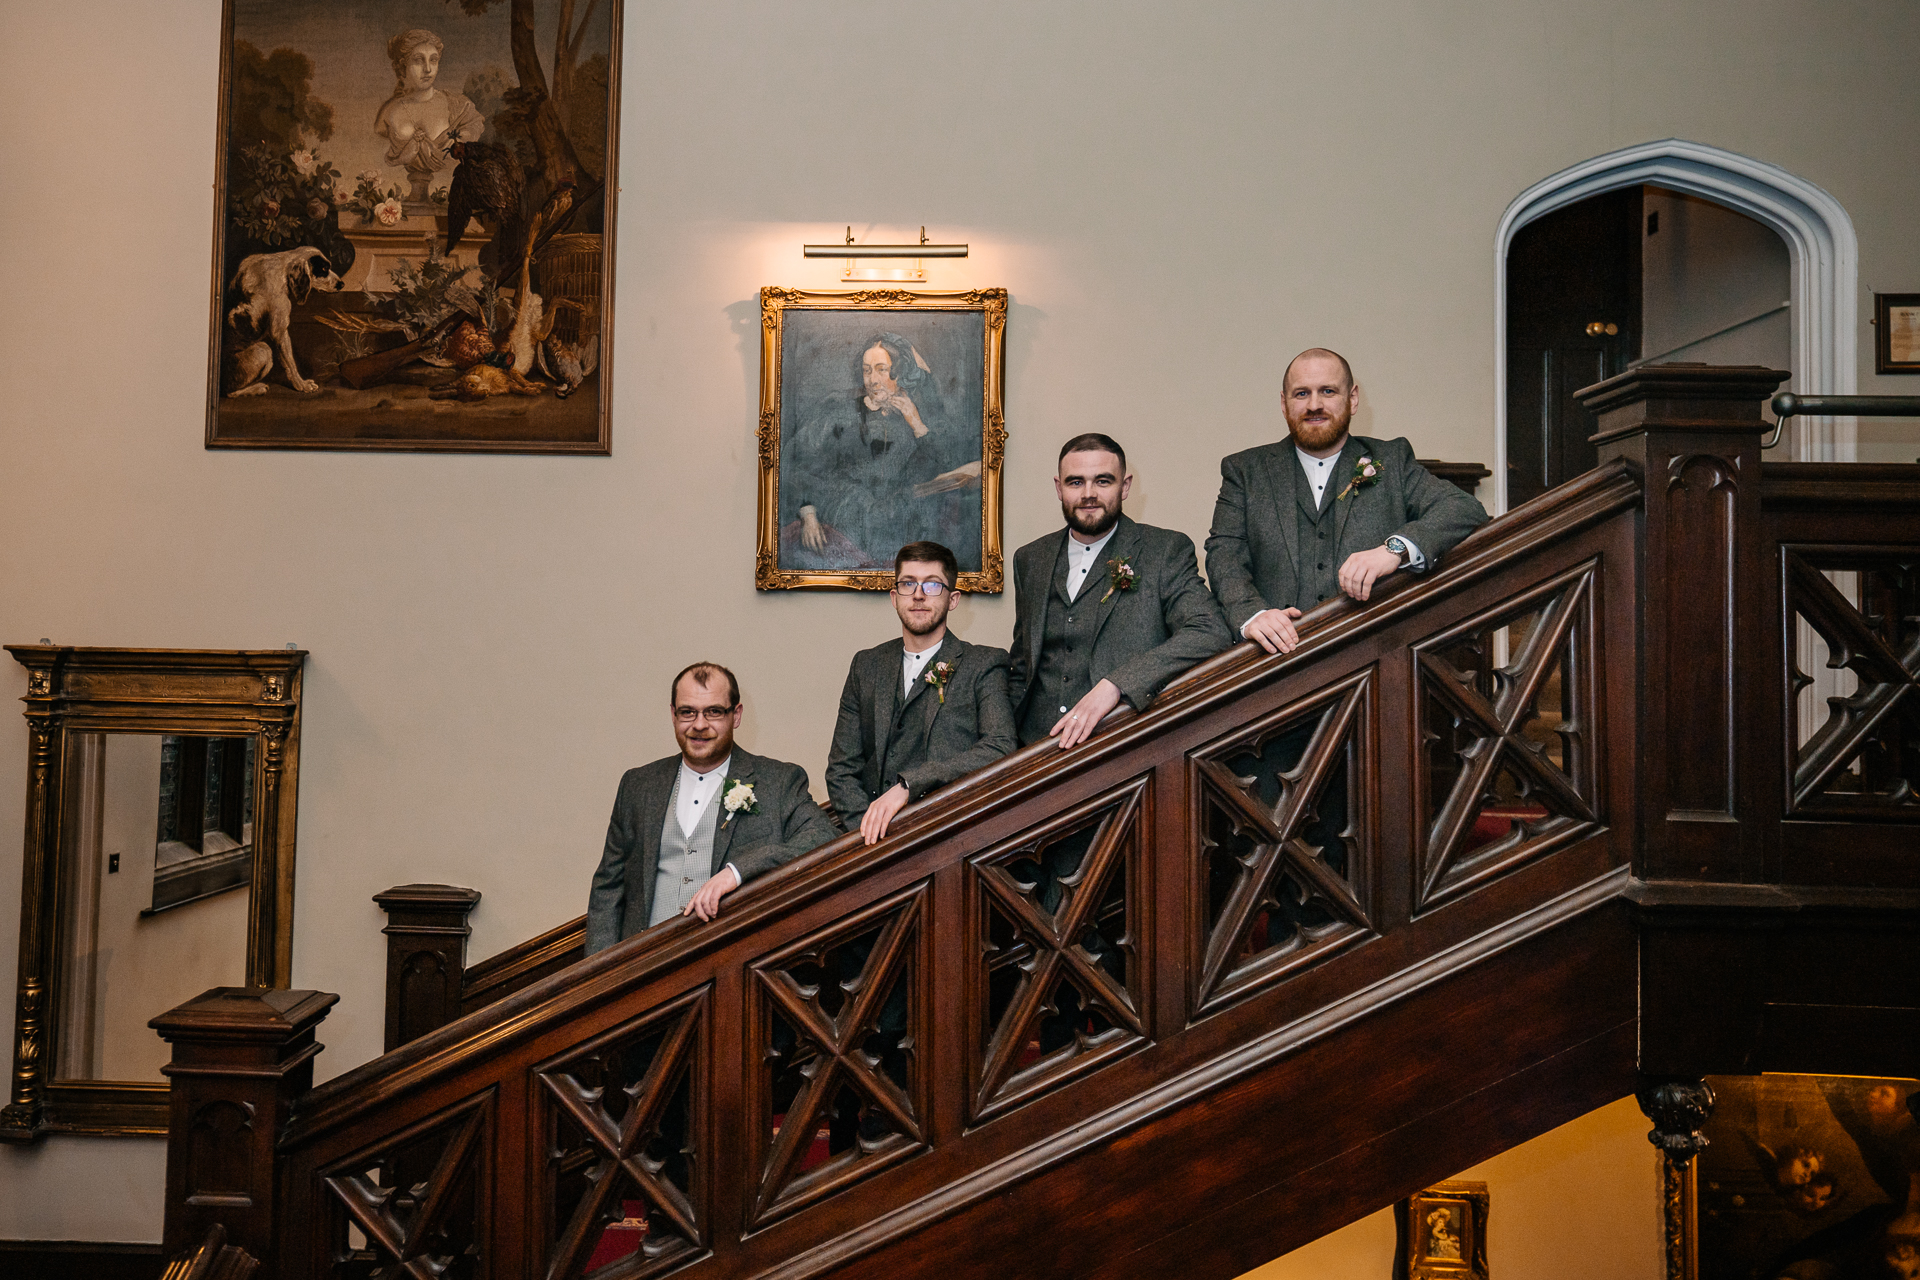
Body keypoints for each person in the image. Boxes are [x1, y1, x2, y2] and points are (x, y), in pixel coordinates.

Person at [1205, 347, 1488, 655]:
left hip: (1374, 659)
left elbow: (1464, 508)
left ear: (1352, 399)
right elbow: (1224, 554)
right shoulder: (1245, 471)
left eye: (1328, 391)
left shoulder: (1390, 461)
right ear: (1284, 404)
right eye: (1301, 394)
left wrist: (1393, 550)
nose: (1315, 405)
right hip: (1275, 663)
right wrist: (1253, 615)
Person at [584, 662, 837, 953]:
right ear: (673, 714)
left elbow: (823, 837)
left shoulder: (777, 781)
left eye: (714, 712)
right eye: (687, 712)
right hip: (645, 968)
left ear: (736, 715)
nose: (699, 724)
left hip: (730, 965)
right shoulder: (638, 785)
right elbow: (608, 888)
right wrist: (598, 975)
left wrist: (737, 872)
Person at [1007, 433, 1232, 751]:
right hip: (1032, 748)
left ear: (1124, 486)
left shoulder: (1164, 550)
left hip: (1119, 750)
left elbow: (1209, 632)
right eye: (1075, 482)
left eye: (1102, 481)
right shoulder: (1030, 558)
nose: (1088, 494)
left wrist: (1117, 684)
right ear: (1059, 488)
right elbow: (1022, 661)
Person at [825, 540, 1016, 844]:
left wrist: (908, 786)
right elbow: (841, 769)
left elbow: (999, 747)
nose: (917, 594)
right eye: (908, 583)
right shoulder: (866, 665)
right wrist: (866, 831)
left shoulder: (984, 664)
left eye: (932, 585)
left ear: (953, 599)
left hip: (951, 839)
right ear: (894, 597)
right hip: (870, 844)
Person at [782, 333, 982, 571]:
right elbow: (798, 460)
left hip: (900, 523)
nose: (873, 380)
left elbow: (946, 465)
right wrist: (808, 512)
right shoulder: (839, 409)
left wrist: (916, 424)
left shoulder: (918, 414)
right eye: (867, 371)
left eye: (882, 370)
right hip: (847, 516)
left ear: (900, 373)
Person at [375, 30, 484, 204]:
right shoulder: (389, 112)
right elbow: (380, 130)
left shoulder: (459, 108)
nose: (427, 69)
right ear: (403, 66)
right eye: (418, 60)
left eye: (433, 60)